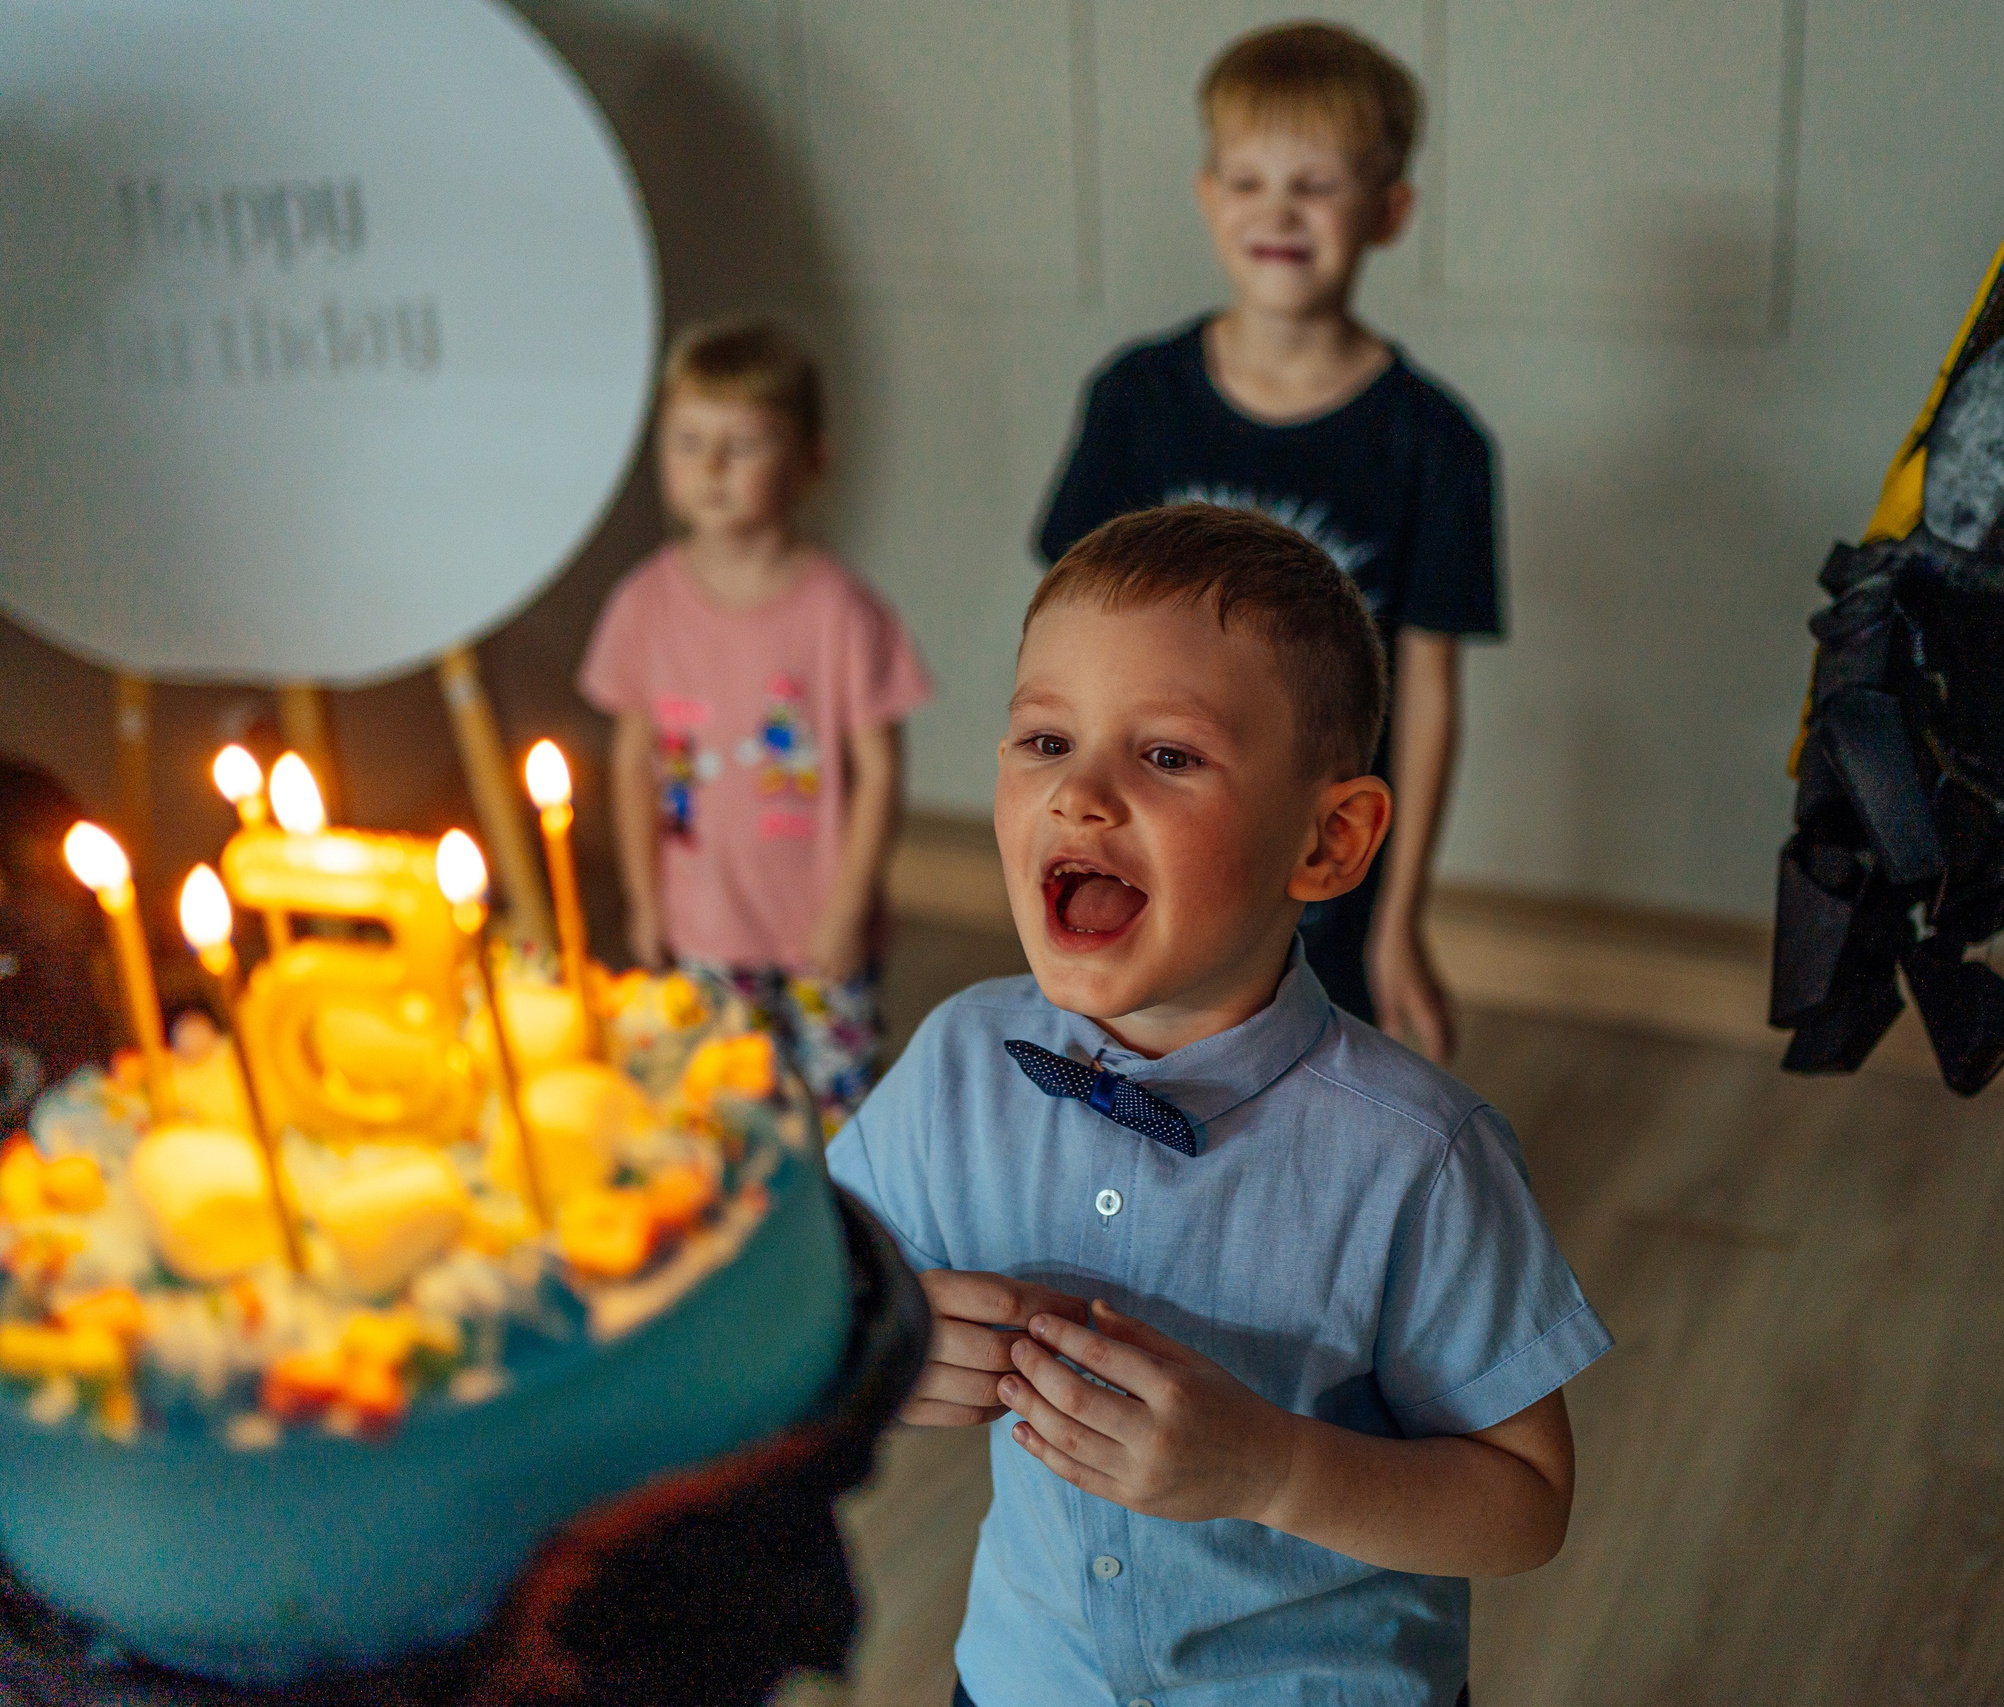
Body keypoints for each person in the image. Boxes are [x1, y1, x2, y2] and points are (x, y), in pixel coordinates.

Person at [829, 506, 1609, 1707]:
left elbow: (1523, 1505)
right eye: (1043, 739)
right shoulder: (959, 1064)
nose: (1081, 796)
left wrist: (1275, 1469)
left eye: (1168, 756)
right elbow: (820, 1285)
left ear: (1330, 841)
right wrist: (883, 1344)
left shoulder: (1418, 1158)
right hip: (1027, 1681)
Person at [1033, 22, 1500, 1063]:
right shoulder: (1134, 401)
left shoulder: (1434, 443)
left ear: (1388, 210)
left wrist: (1399, 918)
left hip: (1317, 865)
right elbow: (1061, 647)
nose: (1277, 211)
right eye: (1246, 181)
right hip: (1141, 829)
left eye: (1316, 185)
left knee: (1300, 1096)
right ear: (1207, 197)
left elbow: (1427, 690)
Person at [580, 318, 930, 1124]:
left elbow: (879, 769)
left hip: (818, 929)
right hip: (703, 923)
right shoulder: (644, 605)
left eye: (742, 445)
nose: (710, 468)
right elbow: (634, 760)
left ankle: (849, 1242)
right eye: (688, 441)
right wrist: (642, 896)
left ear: (811, 461)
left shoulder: (841, 611)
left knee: (839, 1111)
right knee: (728, 1108)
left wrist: (850, 903)